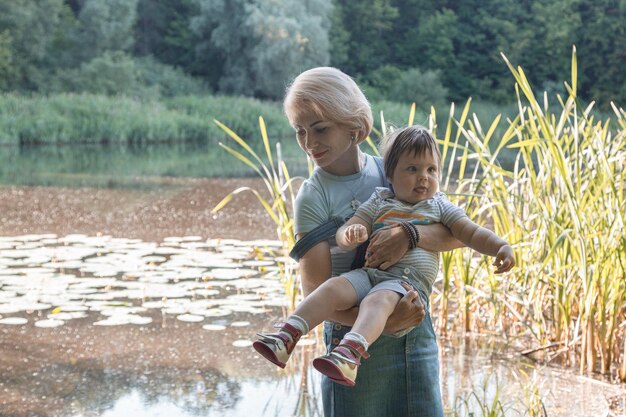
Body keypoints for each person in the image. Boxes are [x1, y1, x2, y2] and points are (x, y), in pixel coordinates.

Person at [255, 67, 461, 417]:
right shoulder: (313, 197)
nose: (309, 143)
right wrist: (383, 323)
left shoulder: (393, 170)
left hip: (415, 334)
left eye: (320, 129)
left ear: (356, 128)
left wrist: (409, 235)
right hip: (349, 351)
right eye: (300, 131)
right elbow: (317, 295)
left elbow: (456, 234)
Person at [253, 124, 515, 386]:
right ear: (390, 174)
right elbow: (350, 229)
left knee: (376, 301)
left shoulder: (440, 205)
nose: (423, 177)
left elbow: (471, 233)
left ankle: (350, 353)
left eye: (431, 169)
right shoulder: (380, 199)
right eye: (412, 169)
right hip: (369, 274)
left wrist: (500, 246)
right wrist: (351, 233)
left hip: (404, 284)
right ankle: (287, 335)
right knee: (332, 287)